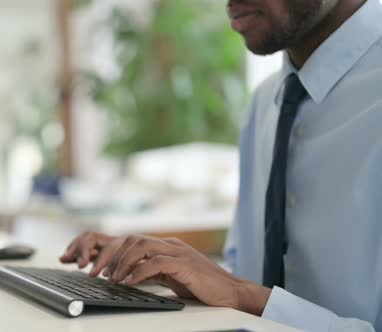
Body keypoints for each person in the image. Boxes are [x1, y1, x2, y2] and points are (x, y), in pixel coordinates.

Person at [59, 0, 382, 330]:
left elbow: (246, 294)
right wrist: (164, 268)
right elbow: (250, 281)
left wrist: (241, 294)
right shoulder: (266, 103)